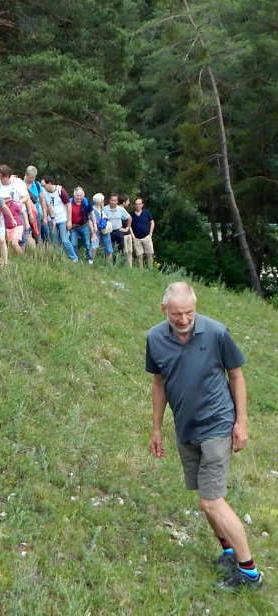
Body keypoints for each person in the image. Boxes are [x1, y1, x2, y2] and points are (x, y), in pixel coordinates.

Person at [147, 282, 262, 590]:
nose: (184, 320)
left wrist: (242, 422)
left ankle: (250, 573)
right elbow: (159, 383)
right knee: (205, 501)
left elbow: (236, 375)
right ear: (164, 311)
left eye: (189, 313)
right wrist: (157, 428)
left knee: (212, 502)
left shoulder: (216, 333)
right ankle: (228, 551)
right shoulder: (155, 339)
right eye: (177, 314)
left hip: (218, 424)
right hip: (186, 427)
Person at [0, 165, 31, 258]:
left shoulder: (17, 183)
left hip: (18, 212)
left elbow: (26, 196)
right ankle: (8, 257)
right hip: (3, 214)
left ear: (8, 176)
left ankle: (23, 257)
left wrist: (19, 203)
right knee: (5, 238)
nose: (0, 178)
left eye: (2, 176)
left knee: (19, 238)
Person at [42, 178, 78, 262]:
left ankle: (74, 258)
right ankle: (59, 257)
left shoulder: (60, 191)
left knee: (65, 240)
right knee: (54, 241)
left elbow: (68, 205)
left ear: (49, 183)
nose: (43, 187)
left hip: (62, 219)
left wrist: (69, 220)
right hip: (51, 220)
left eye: (44, 185)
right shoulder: (44, 193)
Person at [103, 193, 131, 265]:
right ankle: (109, 264)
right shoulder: (104, 209)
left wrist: (127, 228)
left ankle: (118, 264)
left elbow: (129, 218)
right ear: (109, 200)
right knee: (109, 249)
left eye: (115, 201)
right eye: (112, 200)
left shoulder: (121, 209)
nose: (113, 202)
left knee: (121, 249)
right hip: (108, 232)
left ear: (117, 201)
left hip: (118, 231)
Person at [68, 187, 95, 264]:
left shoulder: (86, 202)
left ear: (83, 195)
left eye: (80, 195)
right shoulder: (69, 202)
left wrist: (94, 224)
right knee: (73, 243)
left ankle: (89, 258)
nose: (79, 197)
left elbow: (91, 213)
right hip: (73, 227)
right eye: (77, 195)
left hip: (84, 225)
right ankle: (75, 258)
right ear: (74, 195)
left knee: (87, 243)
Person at [24, 165, 49, 242]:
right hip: (24, 214)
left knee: (38, 236)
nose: (33, 179)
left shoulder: (37, 185)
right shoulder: (20, 184)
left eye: (34, 177)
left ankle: (39, 252)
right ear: (26, 175)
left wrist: (45, 216)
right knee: (25, 237)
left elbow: (42, 201)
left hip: (36, 215)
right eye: (31, 177)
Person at [130, 196, 155, 269]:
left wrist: (151, 233)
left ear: (142, 205)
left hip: (146, 237)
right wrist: (133, 236)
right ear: (134, 205)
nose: (138, 205)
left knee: (149, 255)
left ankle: (151, 270)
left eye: (139, 204)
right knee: (139, 256)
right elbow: (129, 226)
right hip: (136, 238)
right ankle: (141, 271)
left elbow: (152, 222)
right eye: (136, 204)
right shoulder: (131, 214)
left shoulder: (146, 212)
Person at [90, 193, 113, 261]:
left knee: (109, 248)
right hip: (96, 230)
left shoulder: (103, 209)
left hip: (105, 230)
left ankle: (109, 265)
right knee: (94, 247)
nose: (103, 202)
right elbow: (90, 220)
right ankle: (91, 262)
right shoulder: (92, 210)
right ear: (99, 201)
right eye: (102, 200)